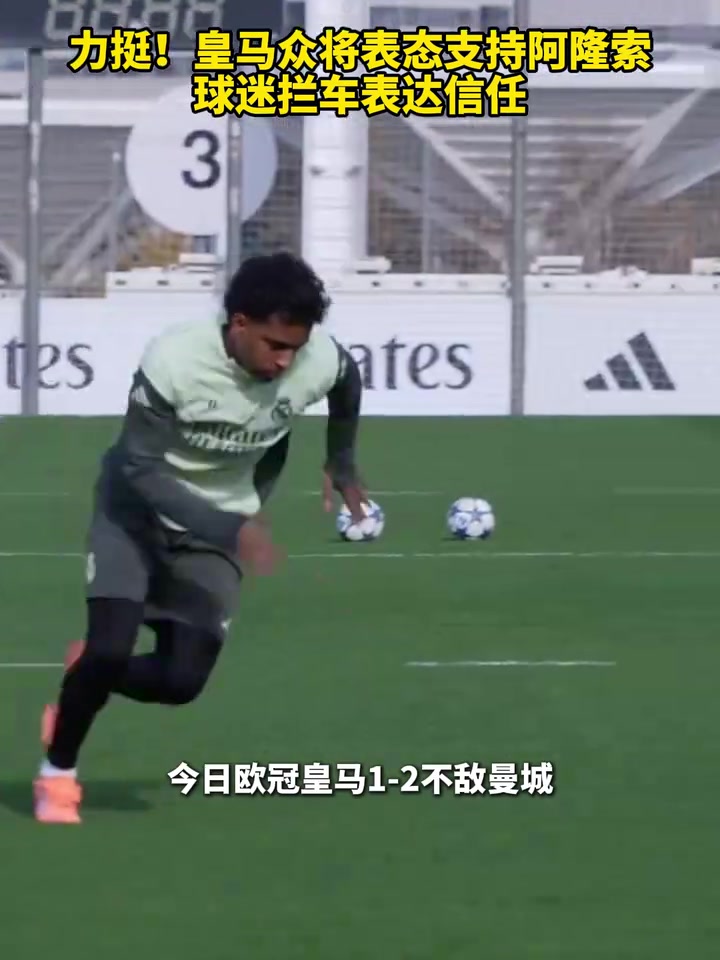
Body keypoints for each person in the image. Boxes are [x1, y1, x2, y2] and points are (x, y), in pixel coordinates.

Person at [34, 252, 367, 824]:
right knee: (111, 646)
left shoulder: (315, 360)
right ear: (239, 323)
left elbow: (347, 379)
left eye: (296, 347)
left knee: (180, 681)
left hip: (218, 524)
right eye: (274, 345)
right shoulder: (175, 361)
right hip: (134, 516)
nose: (286, 360)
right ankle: (57, 775)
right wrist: (230, 530)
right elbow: (139, 468)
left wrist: (340, 460)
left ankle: (87, 671)